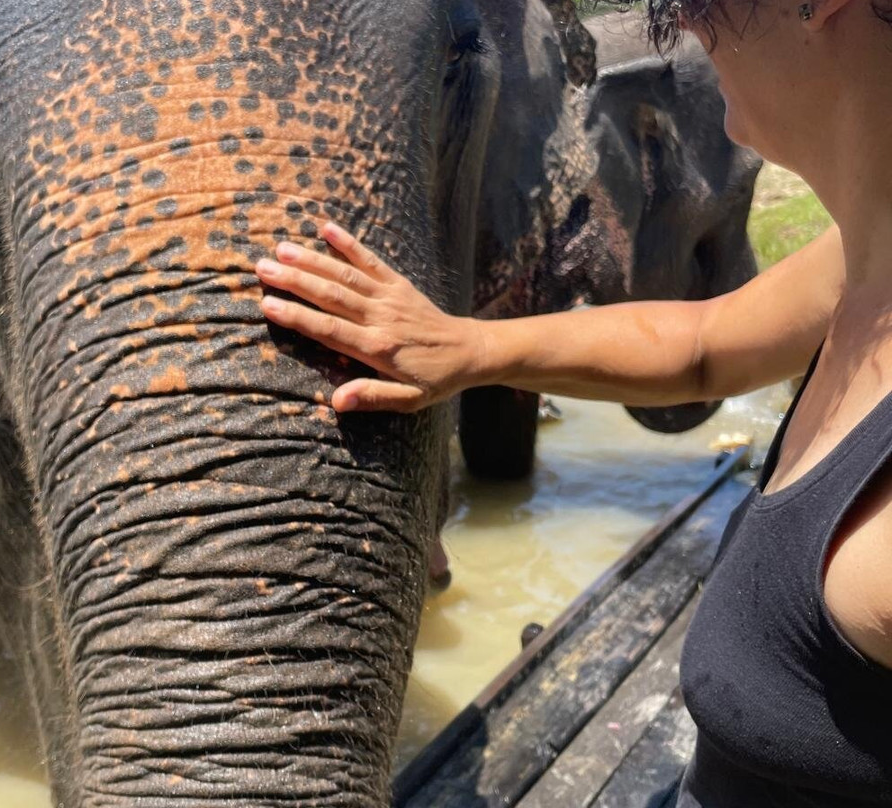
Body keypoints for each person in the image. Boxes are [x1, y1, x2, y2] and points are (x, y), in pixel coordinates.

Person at [252, 0, 892, 804]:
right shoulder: (865, 257)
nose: (682, 23)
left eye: (688, 3)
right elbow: (706, 346)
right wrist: (466, 348)